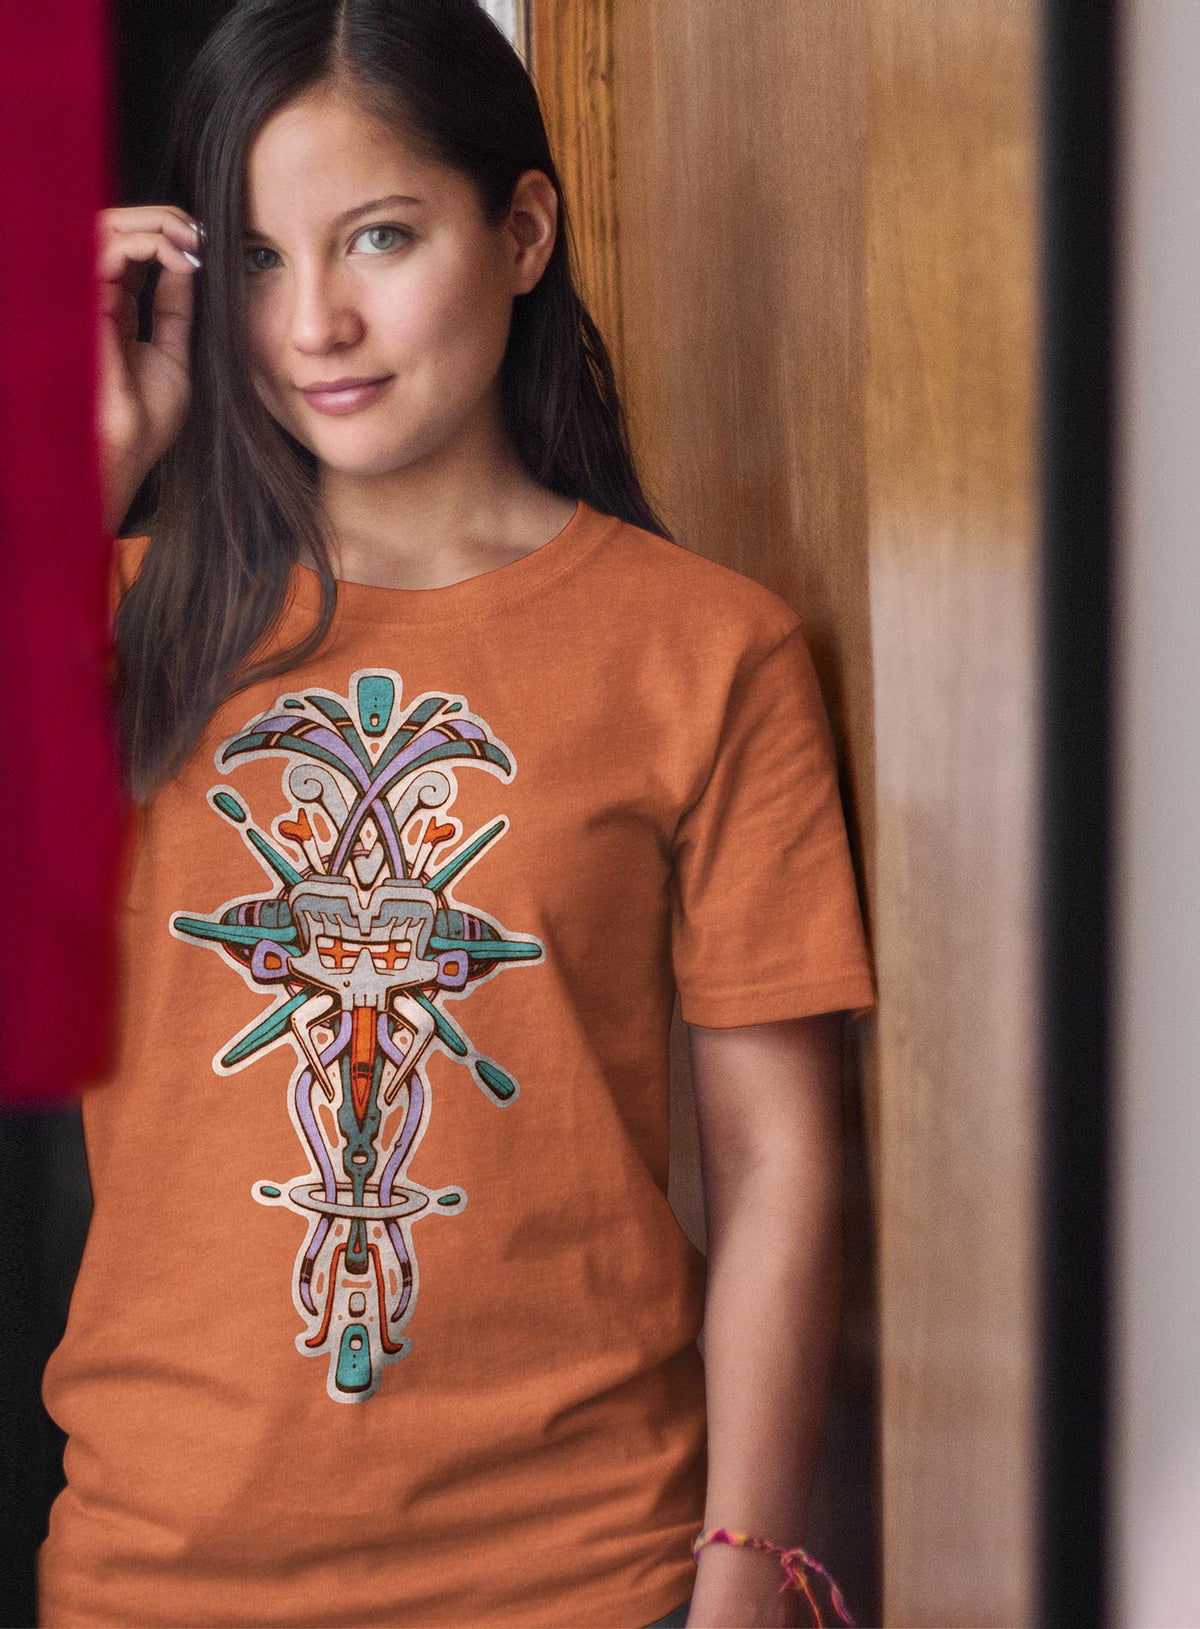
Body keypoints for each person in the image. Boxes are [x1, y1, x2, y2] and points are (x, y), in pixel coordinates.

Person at [41, 2, 877, 1625]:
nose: (318, 324)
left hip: (582, 1577)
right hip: (160, 1573)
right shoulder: (113, 621)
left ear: (523, 228)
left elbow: (778, 1159)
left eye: (379, 237)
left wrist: (746, 1570)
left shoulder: (709, 653)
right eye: (262, 261)